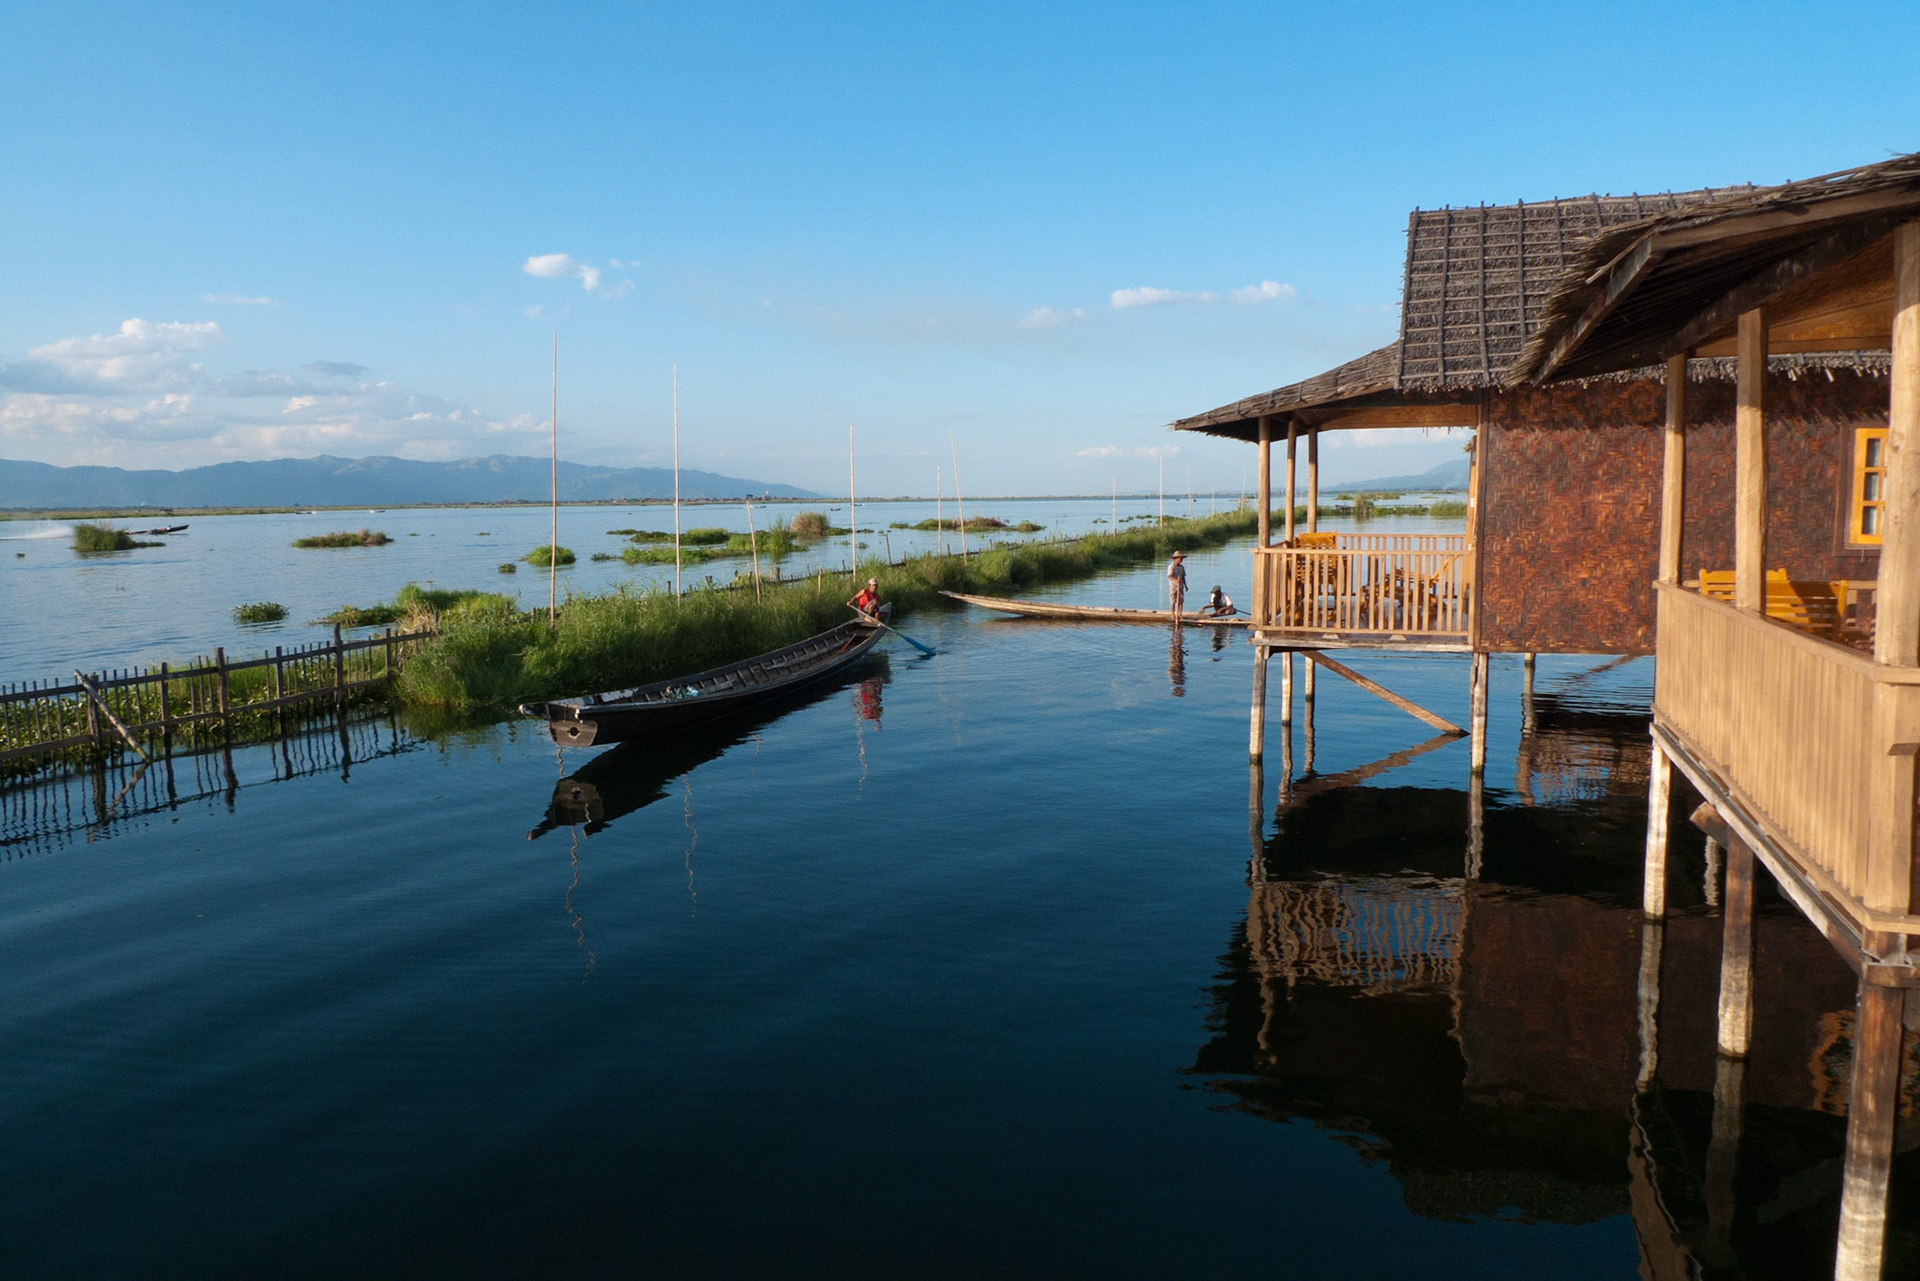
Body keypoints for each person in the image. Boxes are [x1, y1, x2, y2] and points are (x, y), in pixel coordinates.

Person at [1166, 550, 1187, 620]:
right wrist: (1176, 581)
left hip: (1180, 586)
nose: (1181, 560)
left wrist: (1185, 585)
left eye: (1182, 558)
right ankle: (1172, 613)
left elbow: (1183, 577)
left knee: (1180, 600)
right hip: (1173, 586)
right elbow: (1169, 576)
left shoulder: (1181, 567)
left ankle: (1179, 613)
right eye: (1180, 558)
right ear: (1176, 558)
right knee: (1173, 600)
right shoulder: (1171, 566)